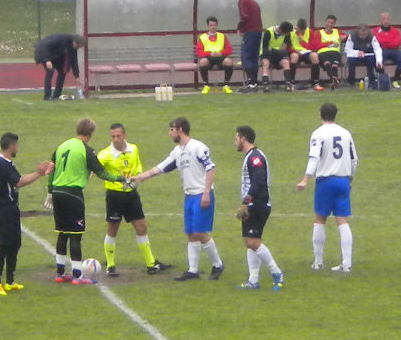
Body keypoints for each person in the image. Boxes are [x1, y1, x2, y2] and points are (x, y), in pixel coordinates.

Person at [131, 116, 223, 281]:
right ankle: (193, 270)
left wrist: (207, 192)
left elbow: (211, 169)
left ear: (180, 130)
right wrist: (140, 177)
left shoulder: (198, 147)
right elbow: (160, 168)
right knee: (190, 233)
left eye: (171, 130)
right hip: (189, 196)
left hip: (201, 194)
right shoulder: (177, 152)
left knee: (200, 232)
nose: (169, 133)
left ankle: (217, 265)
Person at [48, 118, 124, 283]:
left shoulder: (61, 146)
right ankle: (77, 275)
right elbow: (102, 173)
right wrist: (121, 178)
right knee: (75, 235)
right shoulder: (86, 150)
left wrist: (49, 191)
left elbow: (51, 169)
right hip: (73, 194)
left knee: (62, 233)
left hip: (57, 193)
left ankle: (60, 273)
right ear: (91, 133)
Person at [95, 122, 168, 276]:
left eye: (118, 136)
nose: (115, 139)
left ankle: (151, 264)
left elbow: (138, 167)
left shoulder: (133, 149)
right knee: (112, 229)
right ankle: (110, 265)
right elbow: (97, 169)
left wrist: (137, 179)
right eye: (113, 136)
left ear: (124, 135)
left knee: (141, 227)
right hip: (114, 196)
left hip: (131, 196)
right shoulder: (105, 154)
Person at [295, 102, 358, 273]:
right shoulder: (346, 133)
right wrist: (349, 179)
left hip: (325, 182)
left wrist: (305, 180)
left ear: (320, 115)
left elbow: (314, 158)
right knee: (342, 220)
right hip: (343, 181)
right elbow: (354, 160)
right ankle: (347, 263)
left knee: (320, 219)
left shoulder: (318, 134)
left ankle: (318, 261)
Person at [0, 133, 53, 296]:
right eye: (16, 145)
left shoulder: (6, 163)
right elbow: (18, 182)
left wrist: (39, 173)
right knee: (3, 245)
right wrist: (39, 173)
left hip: (11, 209)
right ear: (11, 146)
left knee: (15, 243)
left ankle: (10, 281)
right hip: (3, 209)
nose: (18, 148)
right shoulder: (1, 164)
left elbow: (19, 179)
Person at [233, 126, 284, 290]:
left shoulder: (255, 157)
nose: (235, 142)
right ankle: (253, 280)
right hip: (254, 204)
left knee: (253, 242)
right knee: (250, 242)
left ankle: (276, 272)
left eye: (236, 138)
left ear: (243, 138)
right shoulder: (251, 156)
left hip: (257, 205)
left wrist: (246, 202)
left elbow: (259, 180)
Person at [35, 33, 84, 101]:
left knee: (62, 72)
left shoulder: (73, 47)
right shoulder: (60, 39)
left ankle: (56, 95)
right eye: (78, 46)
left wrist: (76, 75)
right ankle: (47, 96)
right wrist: (47, 60)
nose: (78, 48)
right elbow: (45, 46)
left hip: (55, 56)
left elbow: (74, 60)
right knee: (50, 71)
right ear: (75, 42)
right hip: (43, 52)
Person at [233, 0, 264, 88]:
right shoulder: (254, 3)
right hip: (258, 32)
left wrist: (240, 28)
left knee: (246, 56)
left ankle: (250, 82)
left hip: (250, 32)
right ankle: (254, 82)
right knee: (254, 57)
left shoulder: (242, 1)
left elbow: (244, 17)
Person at [195, 17, 235, 93]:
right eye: (211, 25)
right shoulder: (202, 37)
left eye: (214, 25)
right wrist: (209, 53)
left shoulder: (222, 36)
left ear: (217, 25)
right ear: (208, 26)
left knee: (228, 61)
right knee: (203, 62)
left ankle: (226, 85)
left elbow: (229, 49)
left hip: (220, 56)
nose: (213, 27)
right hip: (208, 57)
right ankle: (206, 86)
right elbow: (199, 51)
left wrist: (221, 53)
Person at [260, 21, 296, 90]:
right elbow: (265, 49)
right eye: (287, 32)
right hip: (267, 54)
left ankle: (288, 84)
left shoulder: (287, 35)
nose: (288, 34)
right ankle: (265, 85)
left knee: (286, 62)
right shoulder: (268, 32)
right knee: (265, 63)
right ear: (281, 30)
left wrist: (276, 51)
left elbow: (283, 48)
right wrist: (276, 51)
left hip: (277, 54)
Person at [311, 15, 344, 89]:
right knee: (327, 63)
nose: (330, 24)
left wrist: (344, 37)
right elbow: (316, 46)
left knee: (334, 64)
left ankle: (333, 79)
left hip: (335, 52)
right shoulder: (319, 32)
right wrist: (329, 43)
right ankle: (334, 79)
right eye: (328, 22)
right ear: (325, 22)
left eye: (332, 23)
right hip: (323, 52)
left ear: (334, 24)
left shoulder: (337, 31)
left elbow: (346, 37)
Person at [372, 12, 401, 88]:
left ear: (390, 20)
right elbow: (377, 42)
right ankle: (383, 80)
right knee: (377, 60)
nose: (386, 21)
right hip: (381, 50)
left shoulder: (396, 31)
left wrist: (385, 42)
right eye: (384, 19)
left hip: (394, 50)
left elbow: (396, 43)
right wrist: (389, 42)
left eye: (387, 19)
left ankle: (395, 79)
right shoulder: (375, 31)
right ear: (380, 20)